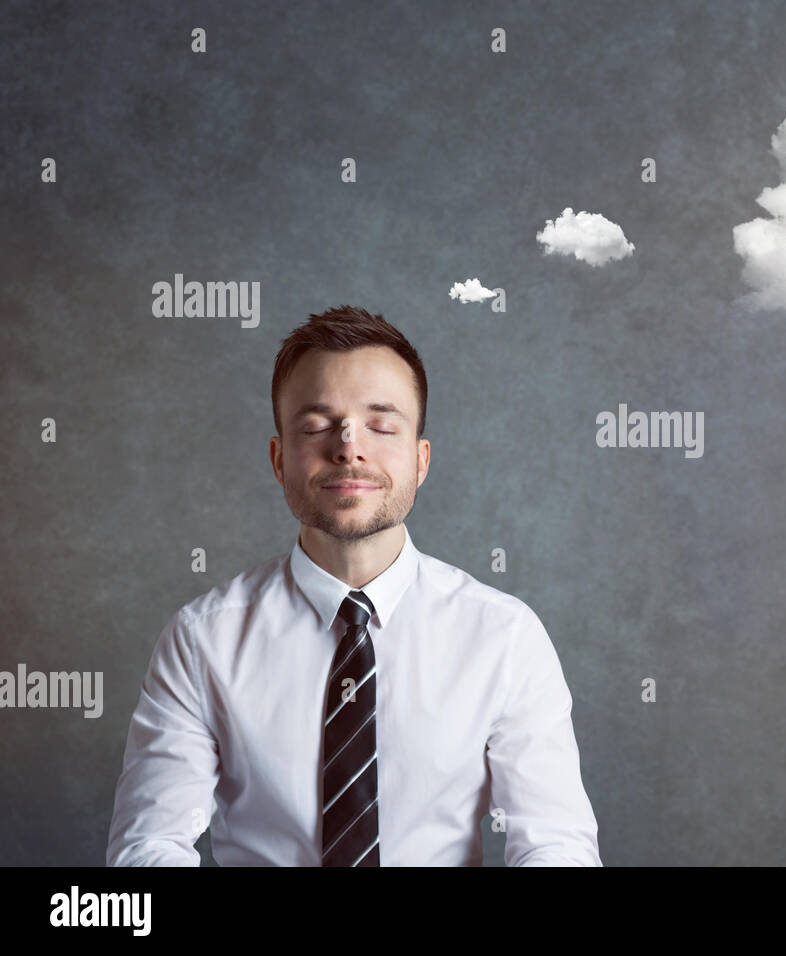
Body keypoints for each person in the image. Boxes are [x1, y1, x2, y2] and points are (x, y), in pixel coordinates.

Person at [106, 305, 601, 866]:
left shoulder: (505, 637)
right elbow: (150, 848)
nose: (348, 447)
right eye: (316, 426)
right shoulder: (201, 641)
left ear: (421, 460)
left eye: (382, 425)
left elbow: (555, 847)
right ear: (278, 459)